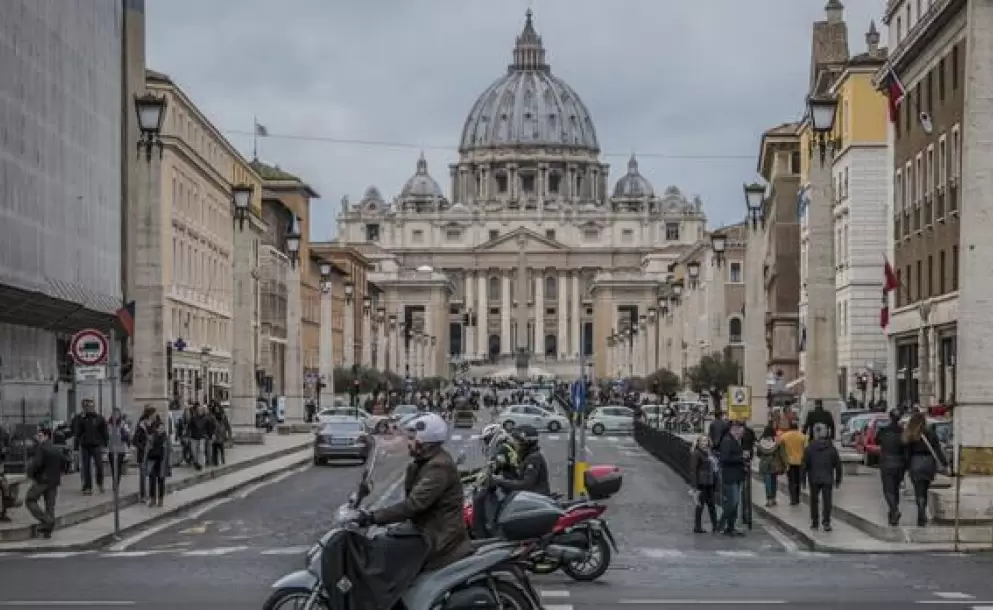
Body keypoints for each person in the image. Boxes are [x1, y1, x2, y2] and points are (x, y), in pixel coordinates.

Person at [354, 413, 472, 571]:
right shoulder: (421, 463)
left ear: (425, 442)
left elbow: (413, 505)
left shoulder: (438, 467)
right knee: (382, 542)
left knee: (383, 553)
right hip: (425, 529)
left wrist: (372, 517)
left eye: (411, 439)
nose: (407, 443)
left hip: (438, 538)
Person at [902, 412, 948, 526]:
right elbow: (937, 450)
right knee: (924, 489)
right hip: (928, 463)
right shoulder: (931, 433)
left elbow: (907, 454)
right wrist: (945, 464)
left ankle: (921, 513)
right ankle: (922, 513)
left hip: (915, 462)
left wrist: (907, 467)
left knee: (918, 490)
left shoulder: (910, 434)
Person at [25, 424, 64, 538]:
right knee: (50, 506)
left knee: (30, 499)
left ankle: (47, 521)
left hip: (43, 480)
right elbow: (64, 462)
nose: (38, 436)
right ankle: (47, 531)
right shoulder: (55, 448)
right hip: (54, 481)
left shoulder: (42, 448)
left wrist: (30, 474)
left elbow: (37, 464)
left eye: (40, 434)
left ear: (46, 435)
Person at [801, 423, 842, 531]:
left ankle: (815, 522)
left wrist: (803, 480)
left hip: (813, 478)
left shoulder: (809, 448)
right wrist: (838, 479)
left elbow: (804, 465)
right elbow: (838, 465)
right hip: (827, 478)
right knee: (827, 501)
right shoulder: (832, 449)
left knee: (814, 501)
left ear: (815, 434)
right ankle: (826, 522)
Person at [493, 425, 550, 496]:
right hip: (529, 496)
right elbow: (519, 477)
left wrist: (500, 481)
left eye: (517, 441)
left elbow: (526, 484)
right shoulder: (526, 456)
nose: (515, 444)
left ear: (526, 443)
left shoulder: (534, 458)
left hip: (537, 497)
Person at [72, 398, 109, 495]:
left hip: (96, 445)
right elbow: (77, 433)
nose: (90, 408)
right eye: (88, 406)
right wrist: (76, 446)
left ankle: (100, 483)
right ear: (85, 407)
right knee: (86, 467)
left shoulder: (99, 418)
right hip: (84, 445)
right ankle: (87, 486)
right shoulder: (80, 418)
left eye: (92, 406)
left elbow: (104, 432)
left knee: (99, 465)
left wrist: (105, 445)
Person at [876, 409, 907, 526]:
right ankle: (892, 514)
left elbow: (876, 440)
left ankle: (894, 510)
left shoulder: (884, 431)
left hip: (887, 463)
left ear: (890, 417)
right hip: (899, 463)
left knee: (888, 490)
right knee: (895, 489)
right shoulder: (902, 432)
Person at [717, 421, 746, 536]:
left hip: (737, 475)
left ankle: (731, 526)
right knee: (732, 502)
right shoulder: (727, 441)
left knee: (736, 502)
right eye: (741, 431)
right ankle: (722, 523)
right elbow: (724, 458)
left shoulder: (734, 441)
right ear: (734, 429)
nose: (742, 434)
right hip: (730, 475)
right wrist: (741, 457)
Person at [688, 435, 719, 533]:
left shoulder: (710, 453)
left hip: (710, 482)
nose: (704, 443)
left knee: (712, 505)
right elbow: (693, 470)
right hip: (701, 482)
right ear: (698, 443)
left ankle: (715, 525)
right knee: (700, 505)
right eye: (702, 441)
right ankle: (697, 527)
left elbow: (714, 467)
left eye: (706, 441)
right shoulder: (697, 453)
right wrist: (694, 486)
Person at [756, 424, 787, 507]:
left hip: (764, 465)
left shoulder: (761, 442)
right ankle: (773, 498)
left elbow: (758, 454)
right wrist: (785, 464)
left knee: (767, 482)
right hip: (774, 464)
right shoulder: (777, 442)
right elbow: (782, 454)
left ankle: (769, 499)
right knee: (774, 481)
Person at [145, 414, 171, 507]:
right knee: (152, 480)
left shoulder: (166, 439)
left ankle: (160, 499)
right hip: (153, 461)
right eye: (159, 428)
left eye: (162, 428)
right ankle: (152, 499)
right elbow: (148, 448)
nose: (161, 429)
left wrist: (169, 465)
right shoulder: (153, 437)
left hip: (162, 462)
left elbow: (169, 451)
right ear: (156, 429)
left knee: (161, 481)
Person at [779, 420, 806, 505]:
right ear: (797, 427)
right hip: (799, 461)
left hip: (789, 462)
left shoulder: (785, 436)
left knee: (791, 481)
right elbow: (806, 449)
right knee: (798, 481)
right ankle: (797, 498)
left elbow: (780, 445)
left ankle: (793, 499)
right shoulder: (803, 436)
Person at [106, 408, 130, 489]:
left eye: (117, 414)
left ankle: (116, 484)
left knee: (118, 467)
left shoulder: (123, 424)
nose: (115, 416)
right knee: (113, 467)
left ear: (119, 415)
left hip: (120, 449)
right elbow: (106, 435)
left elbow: (127, 436)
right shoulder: (108, 424)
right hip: (111, 449)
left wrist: (124, 433)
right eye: (113, 414)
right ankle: (114, 480)